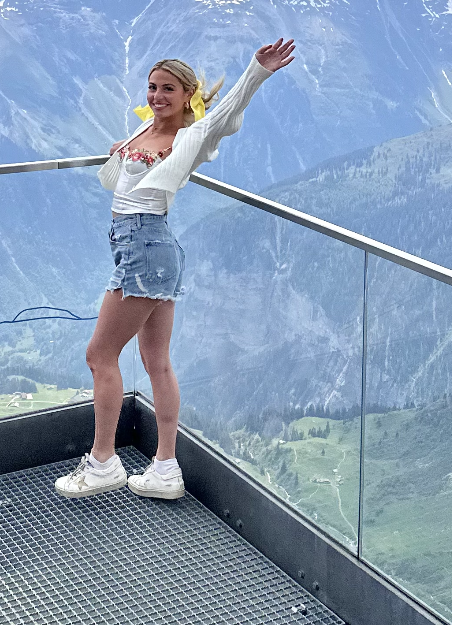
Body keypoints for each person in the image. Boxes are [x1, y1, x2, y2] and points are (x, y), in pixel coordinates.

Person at [55, 37, 297, 502]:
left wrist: (256, 71)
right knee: (156, 361)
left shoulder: (189, 136)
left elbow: (224, 114)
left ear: (188, 95)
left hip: (145, 248)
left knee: (99, 357)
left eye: (168, 89)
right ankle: (165, 468)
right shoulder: (145, 131)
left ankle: (102, 462)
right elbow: (126, 168)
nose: (156, 96)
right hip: (146, 248)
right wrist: (121, 151)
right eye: (151, 87)